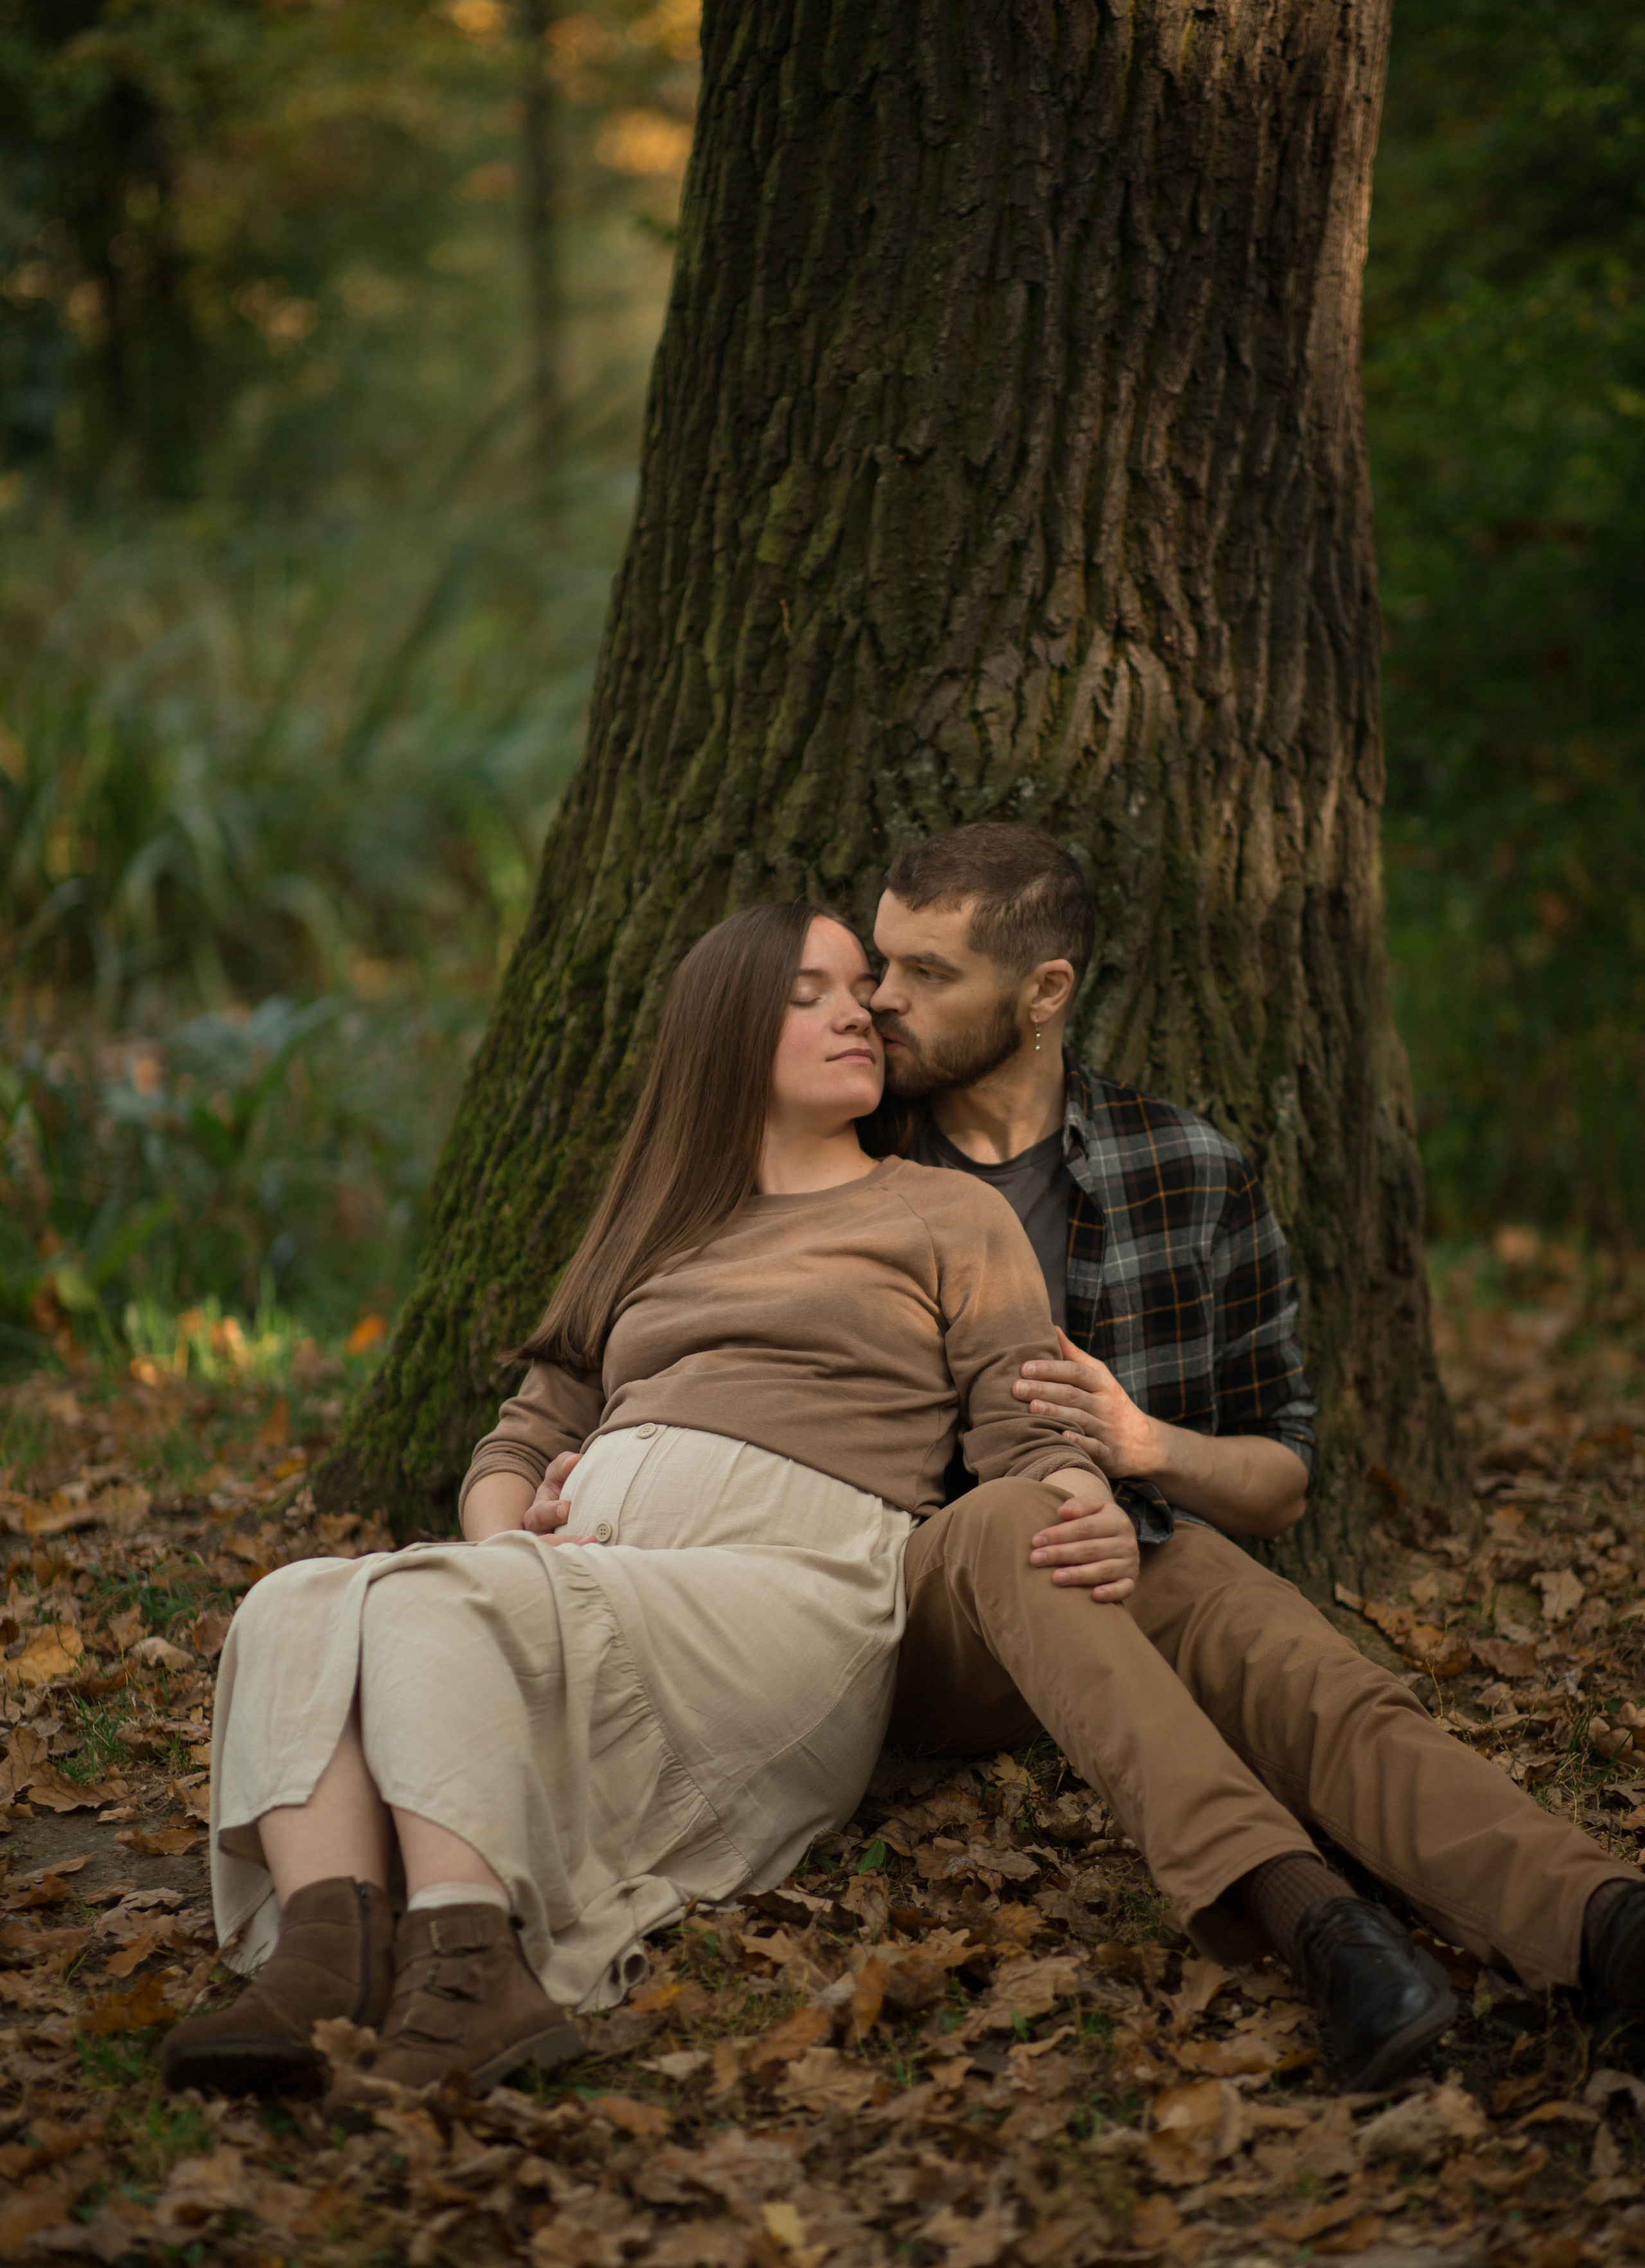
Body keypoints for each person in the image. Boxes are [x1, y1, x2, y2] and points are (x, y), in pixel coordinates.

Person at [163, 902, 1123, 2096]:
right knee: (292, 1601)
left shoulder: (944, 1213)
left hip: (795, 1598)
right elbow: (518, 1441)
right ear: (727, 1030)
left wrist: (1084, 1491)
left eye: (861, 985)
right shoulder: (654, 1229)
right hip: (597, 1583)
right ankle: (325, 1956)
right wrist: (508, 1544)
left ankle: (473, 1970)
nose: (859, 1010)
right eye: (809, 991)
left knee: (422, 1607)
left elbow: (1023, 1418)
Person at [859, 821, 1645, 2079]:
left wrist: (1142, 1444)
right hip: (927, 1605)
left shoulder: (1187, 1171)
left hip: (1121, 1557)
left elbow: (1278, 1481)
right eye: (878, 963)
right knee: (1029, 1528)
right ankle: (1318, 1931)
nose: (880, 1001)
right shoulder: (847, 1168)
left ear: (1045, 991)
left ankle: (1603, 1928)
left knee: (1319, 1682)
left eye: (926, 975)